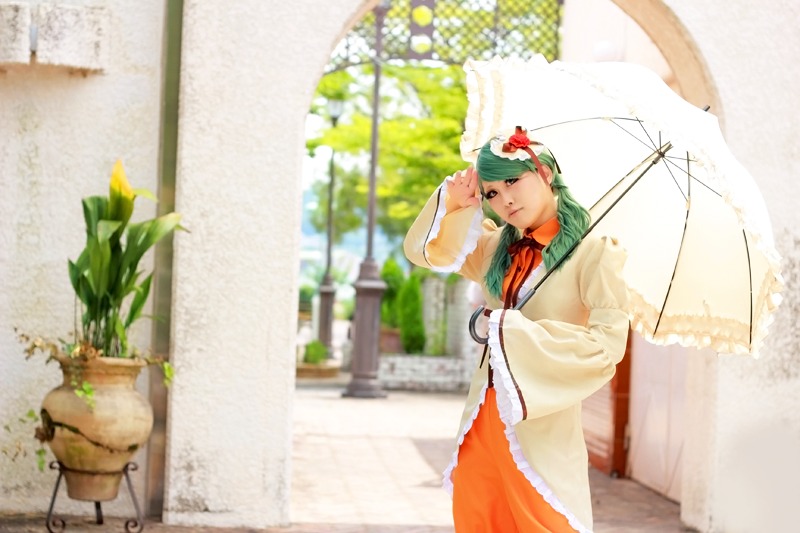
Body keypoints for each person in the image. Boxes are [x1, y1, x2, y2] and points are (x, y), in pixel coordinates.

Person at [403, 127, 630, 532]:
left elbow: (605, 347)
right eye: (491, 193)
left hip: (540, 421)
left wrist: (512, 329)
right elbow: (429, 251)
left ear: (544, 172)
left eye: (512, 181)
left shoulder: (594, 252)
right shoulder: (495, 249)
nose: (504, 199)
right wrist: (456, 203)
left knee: (544, 524)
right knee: (479, 521)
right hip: (483, 418)